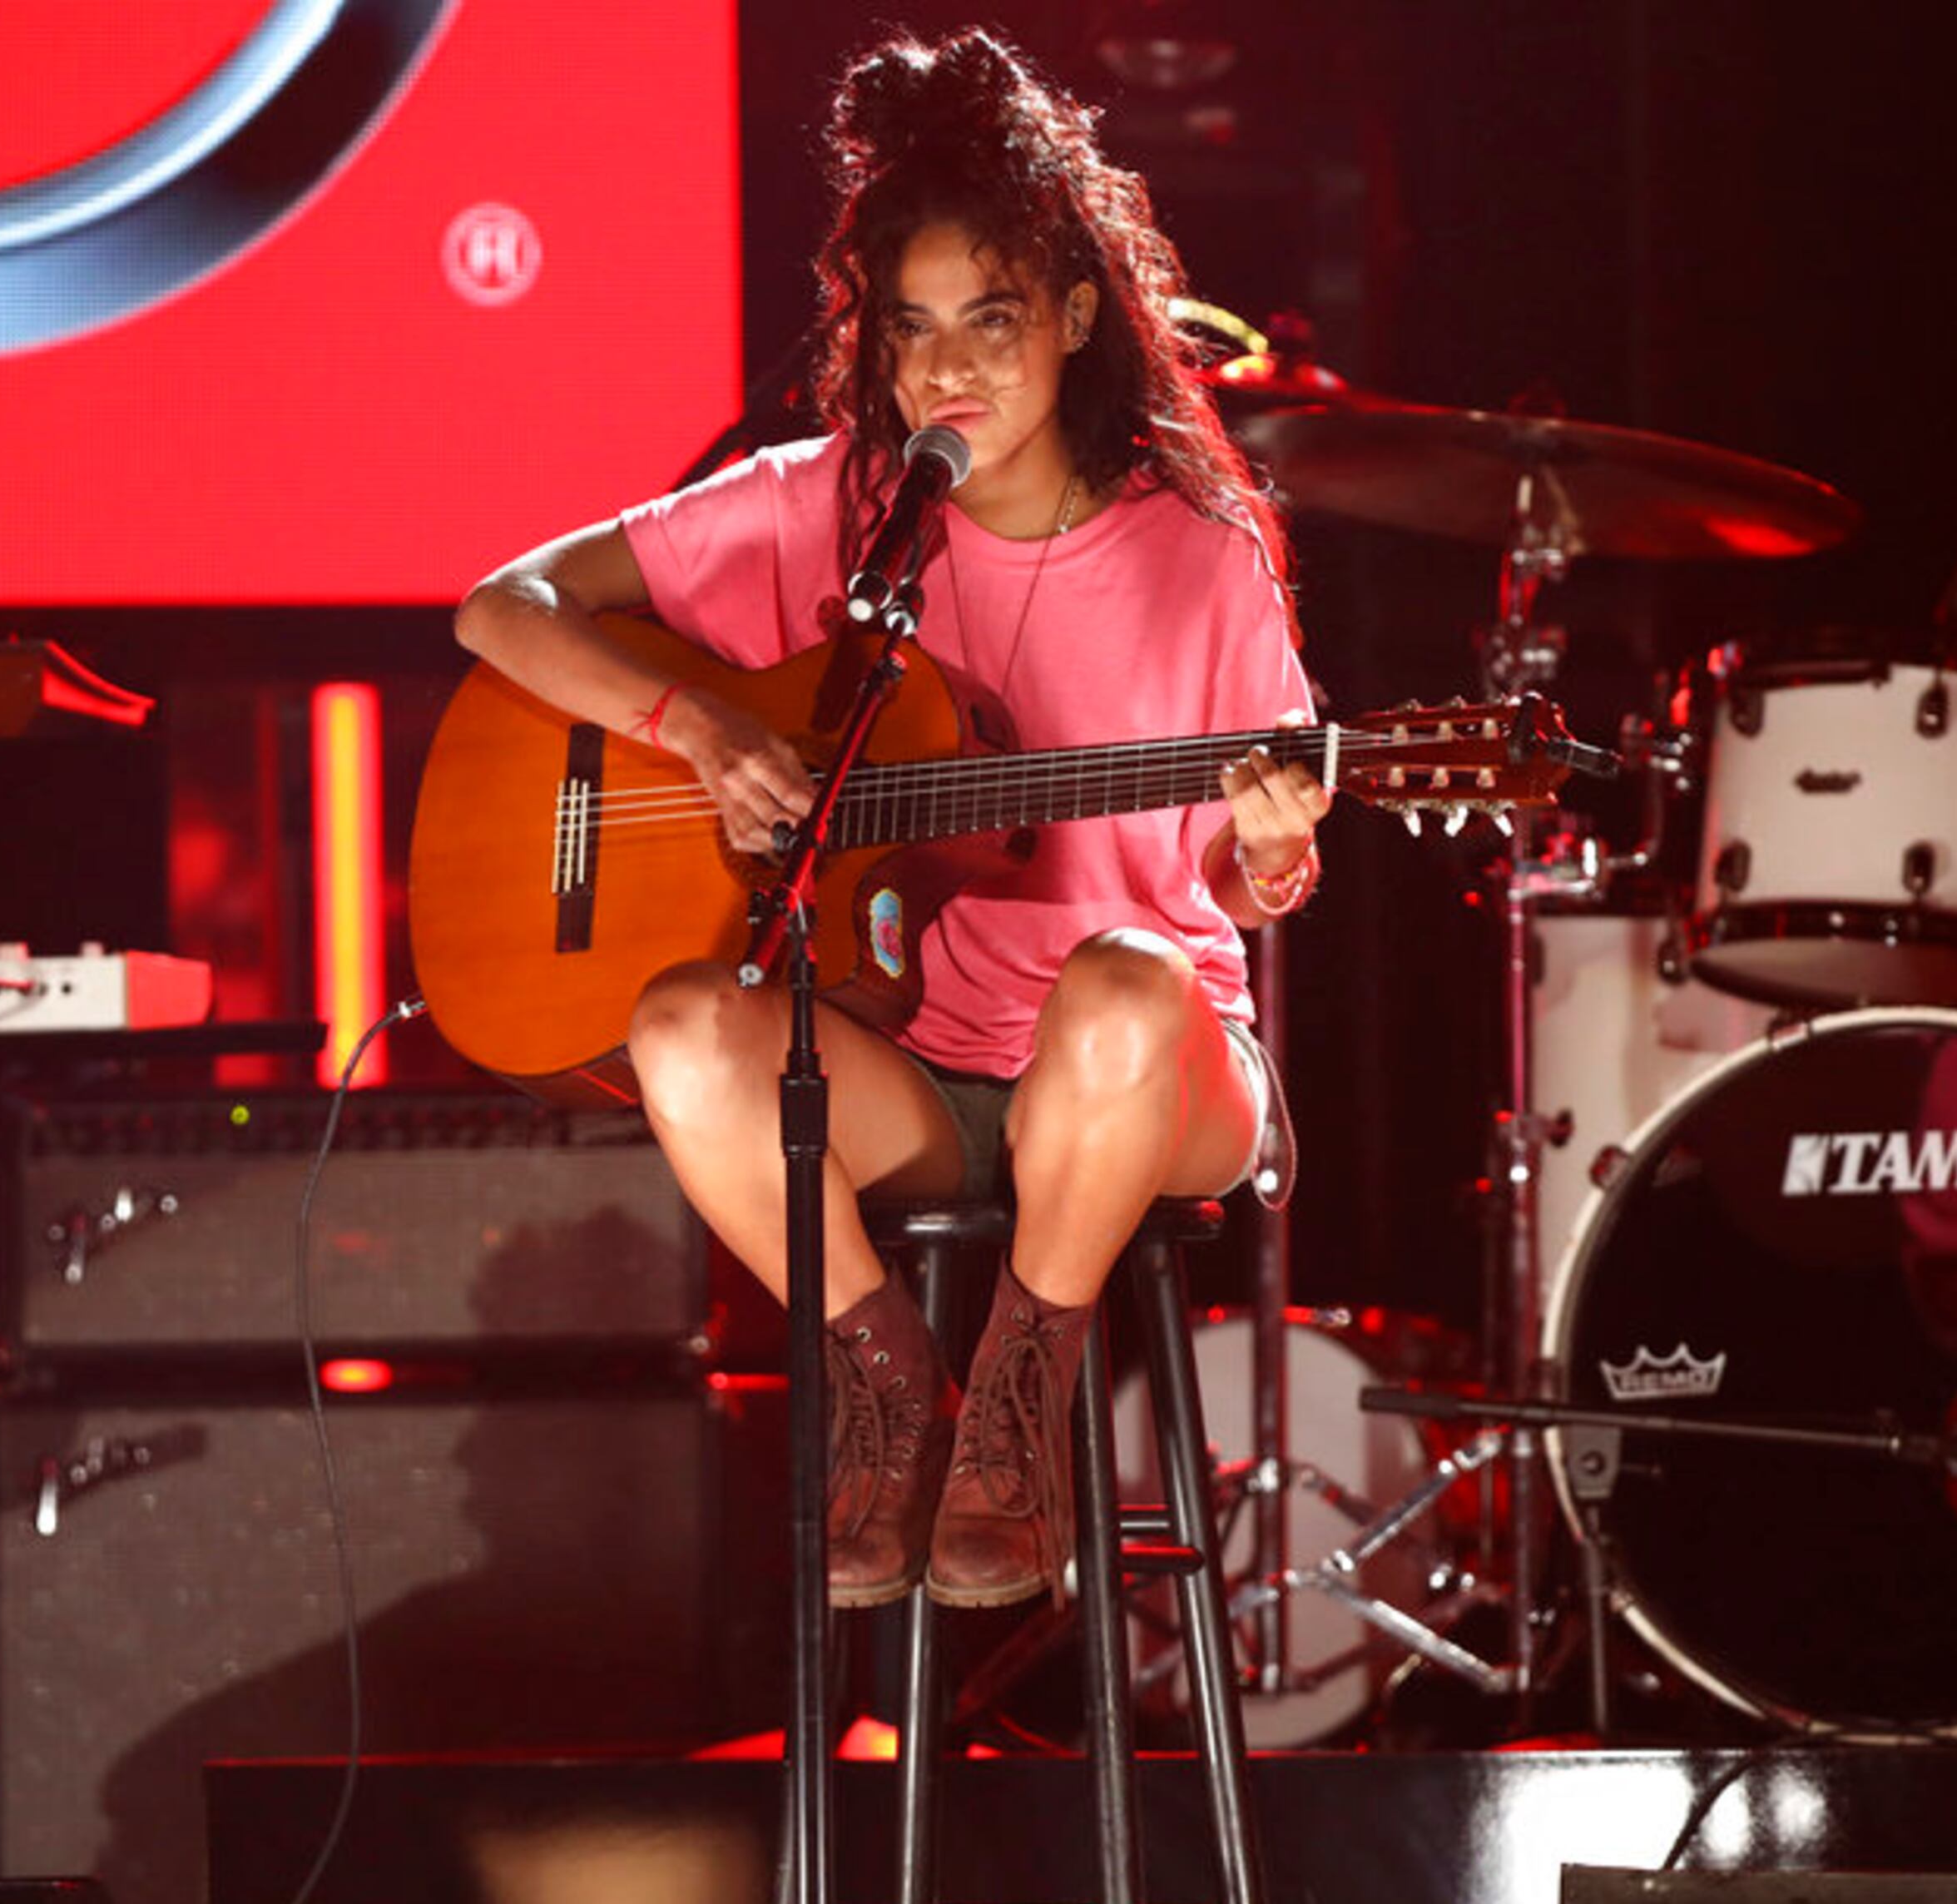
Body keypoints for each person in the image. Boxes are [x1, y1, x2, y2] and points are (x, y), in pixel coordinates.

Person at [452, 27, 1329, 1610]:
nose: (950, 373)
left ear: (1072, 318)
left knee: (1125, 975)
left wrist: (1267, 849)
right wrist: (701, 728)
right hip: (919, 1068)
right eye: (912, 331)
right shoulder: (836, 506)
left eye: (991, 323)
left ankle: (1015, 1400)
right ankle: (883, 1373)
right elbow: (500, 611)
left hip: (1148, 1076)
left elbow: (1232, 872)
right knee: (683, 1029)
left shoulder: (1200, 552)